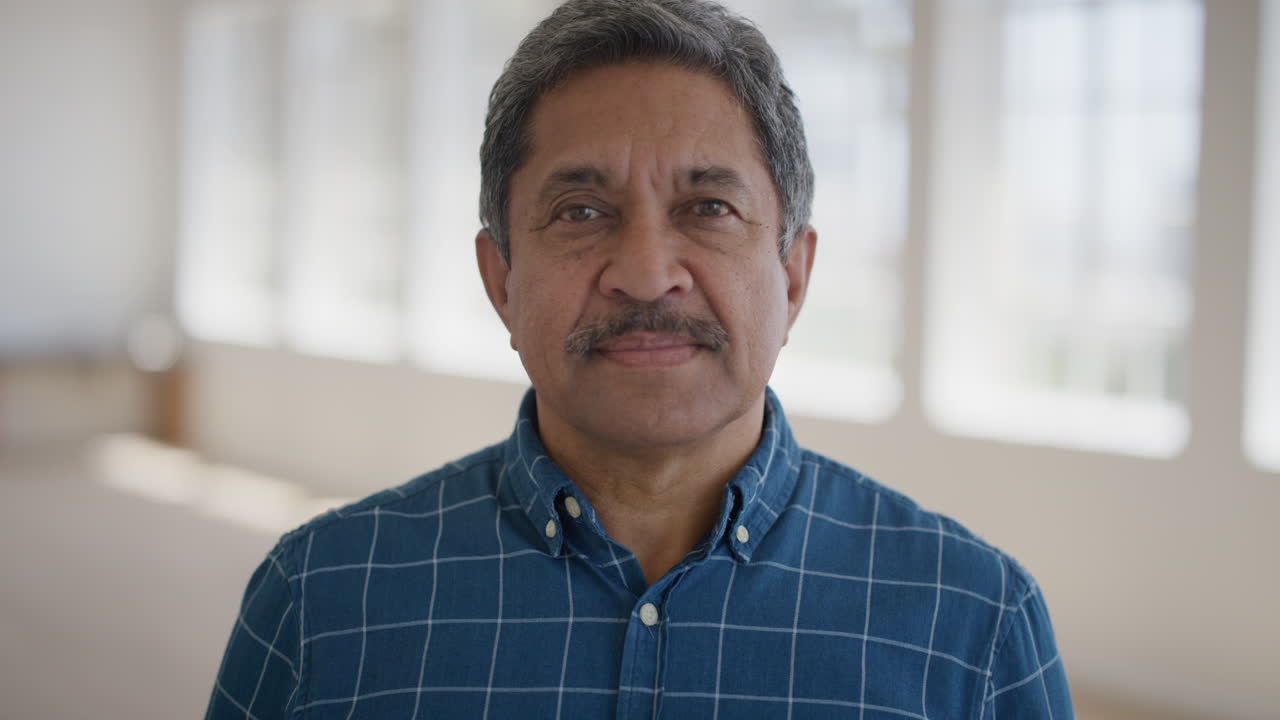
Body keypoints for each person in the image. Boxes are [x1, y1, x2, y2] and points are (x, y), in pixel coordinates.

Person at [206, 1, 1073, 717]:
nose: (648, 273)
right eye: (581, 212)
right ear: (501, 279)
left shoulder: (975, 625)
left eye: (708, 207)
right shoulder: (320, 600)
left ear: (794, 276)